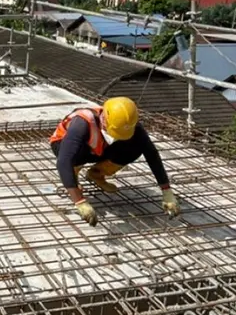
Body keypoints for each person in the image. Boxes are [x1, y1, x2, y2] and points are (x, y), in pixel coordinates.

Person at [50, 96, 179, 226]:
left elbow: (151, 153)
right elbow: (64, 160)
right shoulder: (82, 123)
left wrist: (166, 190)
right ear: (104, 121)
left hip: (99, 147)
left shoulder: (128, 125)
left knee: (136, 146)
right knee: (75, 153)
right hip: (65, 146)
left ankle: (96, 173)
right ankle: (73, 175)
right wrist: (79, 201)